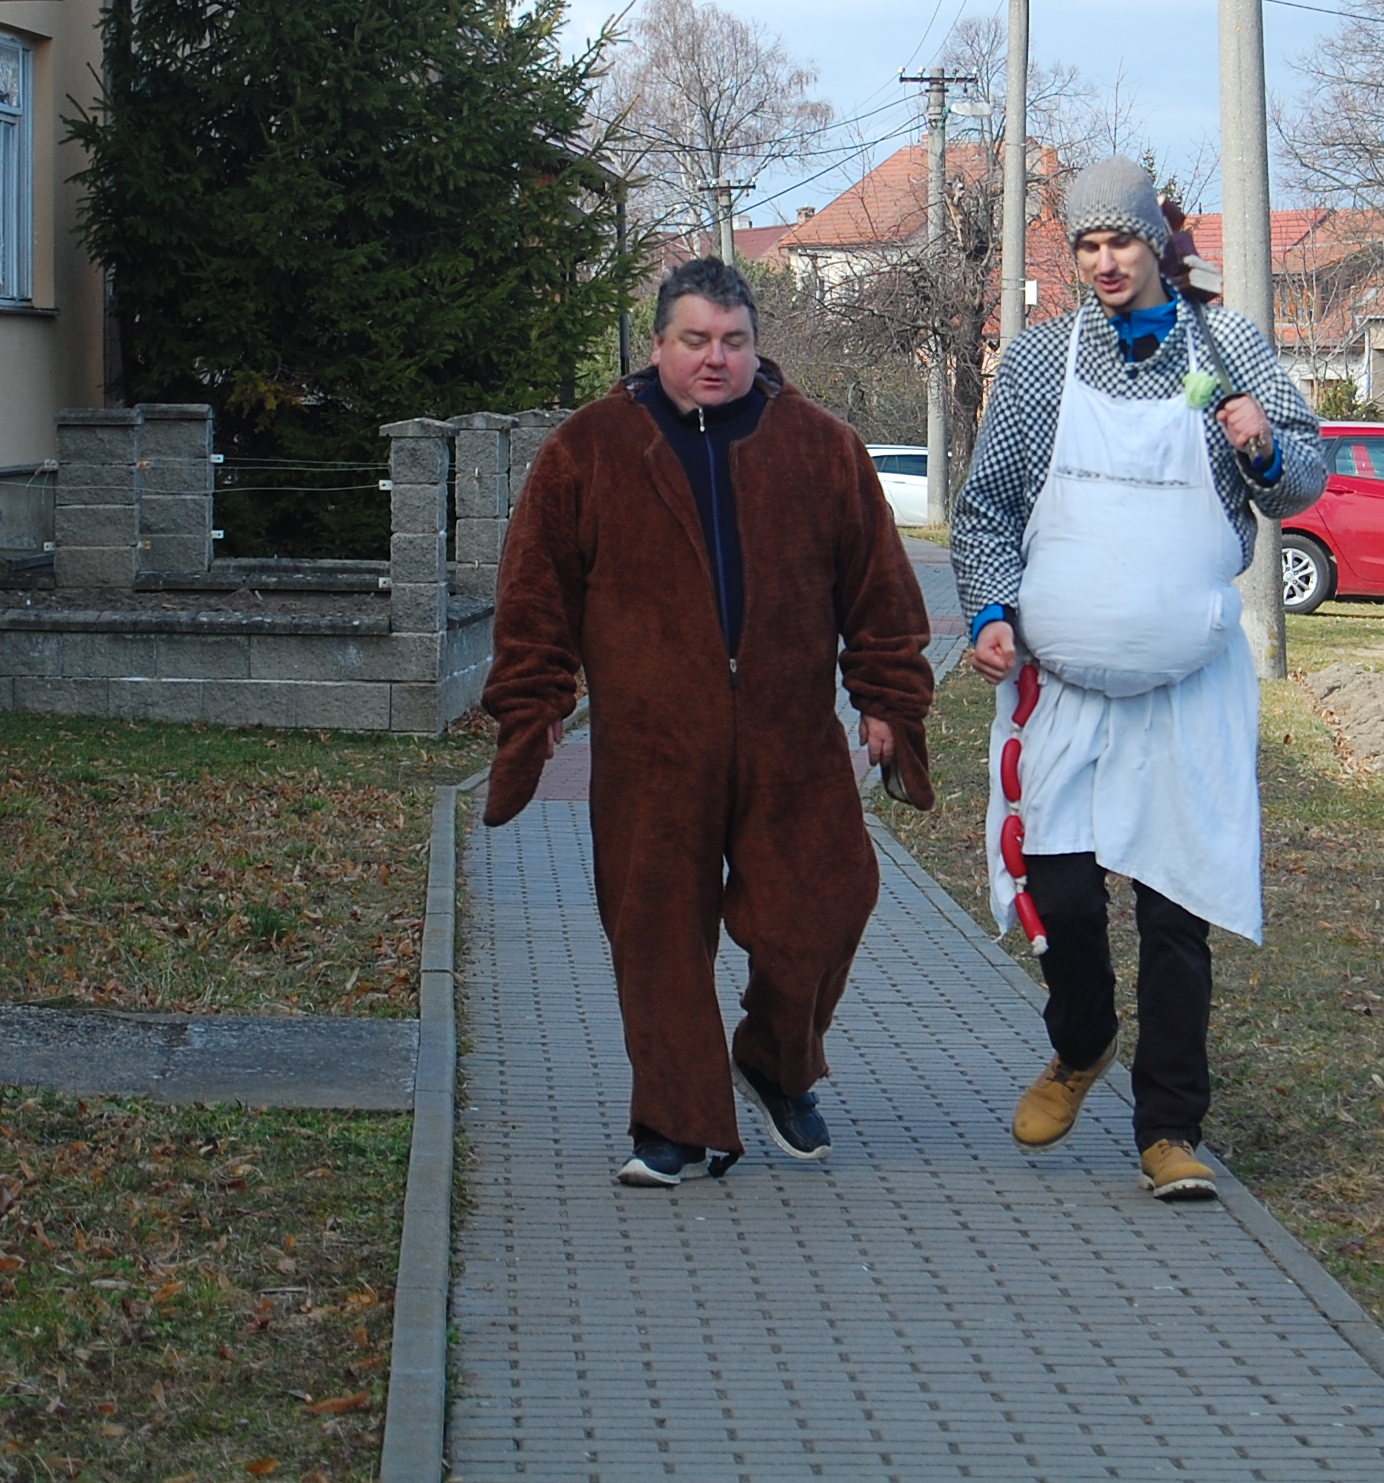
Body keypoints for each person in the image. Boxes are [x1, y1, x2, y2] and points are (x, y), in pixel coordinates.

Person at [483, 256, 937, 1187]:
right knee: (656, 934)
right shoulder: (588, 450)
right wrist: (534, 709)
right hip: (652, 744)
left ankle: (775, 1064)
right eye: (695, 340)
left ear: (757, 346)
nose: (715, 359)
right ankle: (673, 1120)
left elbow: (882, 594)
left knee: (828, 902)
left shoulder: (822, 447)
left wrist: (887, 700)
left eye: (733, 341)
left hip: (792, 739)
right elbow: (535, 597)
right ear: (658, 345)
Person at [953, 160, 1324, 1201]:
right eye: (1087, 244)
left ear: (1155, 242)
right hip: (1063, 690)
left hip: (1185, 693)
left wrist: (1261, 446)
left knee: (1173, 913)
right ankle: (1081, 1041)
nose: (1105, 260)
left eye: (1120, 240)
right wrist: (989, 612)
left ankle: (1169, 1129)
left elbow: (1302, 480)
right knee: (1061, 895)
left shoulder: (1225, 346)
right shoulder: (1042, 359)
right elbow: (987, 509)